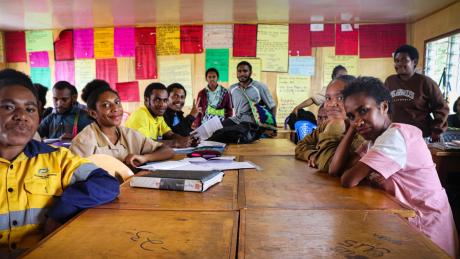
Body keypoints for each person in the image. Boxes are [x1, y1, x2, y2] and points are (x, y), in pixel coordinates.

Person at [330, 76, 457, 258]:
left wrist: (353, 123)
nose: (358, 120)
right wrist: (352, 127)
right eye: (351, 115)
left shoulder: (396, 136)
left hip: (425, 227)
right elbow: (336, 170)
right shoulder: (373, 141)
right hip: (402, 220)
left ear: (384, 107)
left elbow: (348, 179)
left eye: (363, 111)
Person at [0, 69, 119, 256]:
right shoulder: (52, 118)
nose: (22, 115)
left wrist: (62, 210)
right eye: (8, 107)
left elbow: (107, 184)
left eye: (30, 109)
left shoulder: (58, 158)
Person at [70, 80, 174, 168]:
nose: (115, 109)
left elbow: (168, 151)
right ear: (93, 113)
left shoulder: (128, 134)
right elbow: (77, 178)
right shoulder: (83, 141)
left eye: (117, 102)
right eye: (106, 105)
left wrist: (144, 158)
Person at [295, 75, 363, 172]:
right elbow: (301, 146)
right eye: (328, 98)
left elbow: (329, 165)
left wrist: (335, 125)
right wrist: (313, 155)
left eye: (340, 98)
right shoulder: (326, 125)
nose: (332, 104)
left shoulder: (362, 132)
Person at [384, 44, 449, 141]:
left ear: (414, 62)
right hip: (395, 135)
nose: (399, 64)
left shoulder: (425, 82)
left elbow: (441, 107)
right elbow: (384, 105)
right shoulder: (390, 81)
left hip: (420, 135)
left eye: (404, 60)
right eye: (397, 61)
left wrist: (437, 130)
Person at [125, 82, 192, 148]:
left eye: (165, 100)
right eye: (157, 100)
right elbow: (144, 143)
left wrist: (186, 140)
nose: (162, 105)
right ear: (146, 100)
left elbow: (170, 134)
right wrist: (176, 143)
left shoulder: (158, 116)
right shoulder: (140, 115)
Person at [227, 61, 276, 126]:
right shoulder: (232, 89)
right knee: (218, 128)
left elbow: (272, 106)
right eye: (239, 71)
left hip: (254, 123)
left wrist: (271, 126)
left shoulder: (259, 87)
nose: (242, 74)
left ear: (250, 72)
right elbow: (228, 107)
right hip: (237, 120)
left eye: (245, 71)